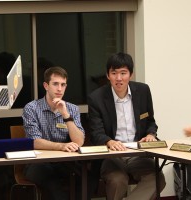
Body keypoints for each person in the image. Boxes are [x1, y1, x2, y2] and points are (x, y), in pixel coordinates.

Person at [87, 52, 166, 200]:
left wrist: (151, 134)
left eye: (123, 73)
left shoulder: (143, 91)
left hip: (138, 153)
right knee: (118, 181)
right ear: (107, 75)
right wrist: (109, 141)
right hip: (112, 156)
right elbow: (96, 132)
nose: (118, 78)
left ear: (131, 74)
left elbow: (150, 121)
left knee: (157, 179)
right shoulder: (96, 98)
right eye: (114, 73)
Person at [22, 66, 85, 200]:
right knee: (50, 178)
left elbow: (79, 141)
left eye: (63, 85)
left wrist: (66, 115)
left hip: (65, 162)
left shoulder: (72, 109)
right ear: (46, 85)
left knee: (85, 178)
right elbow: (34, 141)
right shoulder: (31, 108)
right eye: (55, 84)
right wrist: (61, 146)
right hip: (38, 163)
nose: (59, 89)